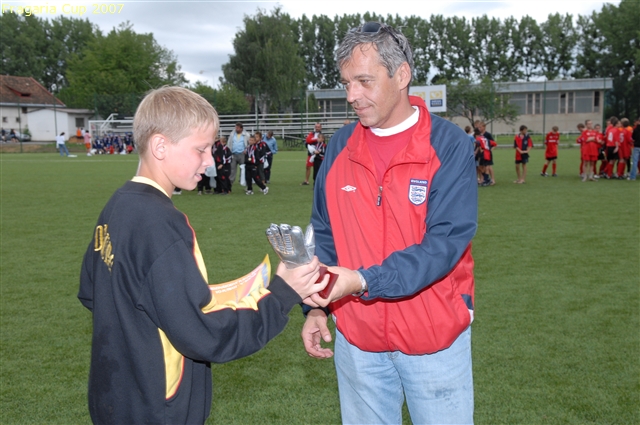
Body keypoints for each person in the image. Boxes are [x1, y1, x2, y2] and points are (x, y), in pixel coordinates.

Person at [77, 86, 327, 425]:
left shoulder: (117, 205)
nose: (210, 161)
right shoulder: (162, 225)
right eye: (200, 149)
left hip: (112, 396)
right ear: (160, 146)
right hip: (156, 409)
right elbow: (203, 336)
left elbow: (94, 293)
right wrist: (282, 294)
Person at [301, 22, 477, 425]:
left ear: (401, 75)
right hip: (358, 340)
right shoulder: (340, 146)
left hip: (434, 339)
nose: (351, 96)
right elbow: (324, 232)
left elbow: (443, 245)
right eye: (347, 83)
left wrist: (364, 281)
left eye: (364, 81)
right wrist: (316, 307)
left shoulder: (448, 145)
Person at [228, 122, 249, 186]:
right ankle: (230, 181)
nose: (236, 129)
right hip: (233, 154)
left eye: (237, 128)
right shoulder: (232, 134)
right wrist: (229, 151)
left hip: (242, 154)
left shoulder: (246, 135)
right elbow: (229, 143)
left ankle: (242, 181)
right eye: (236, 127)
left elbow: (249, 144)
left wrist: (246, 150)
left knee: (243, 169)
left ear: (241, 128)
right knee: (232, 169)